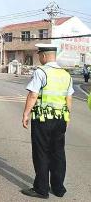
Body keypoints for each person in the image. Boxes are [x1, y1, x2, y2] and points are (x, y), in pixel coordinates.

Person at [21, 44, 73, 199]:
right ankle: (58, 188)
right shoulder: (66, 74)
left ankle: (41, 189)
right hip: (60, 120)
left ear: (43, 56)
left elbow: (33, 95)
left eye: (39, 55)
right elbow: (68, 98)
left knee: (41, 153)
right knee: (58, 153)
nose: (39, 58)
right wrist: (67, 117)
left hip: (43, 120)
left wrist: (25, 114)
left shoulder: (41, 72)